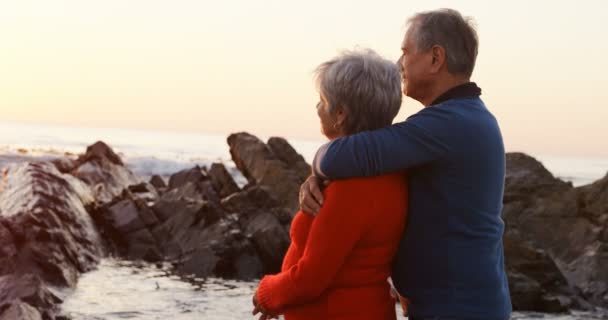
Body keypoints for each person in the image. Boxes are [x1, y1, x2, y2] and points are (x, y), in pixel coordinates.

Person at [300, 9, 512, 320]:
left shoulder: (450, 124)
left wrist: (317, 169)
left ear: (435, 58)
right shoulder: (463, 118)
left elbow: (339, 156)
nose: (400, 64)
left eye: (405, 52)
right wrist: (315, 179)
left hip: (458, 311)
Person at [252, 49, 408, 320]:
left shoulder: (353, 187)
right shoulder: (389, 173)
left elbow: (311, 278)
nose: (317, 108)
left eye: (322, 101)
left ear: (339, 114)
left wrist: (265, 294)